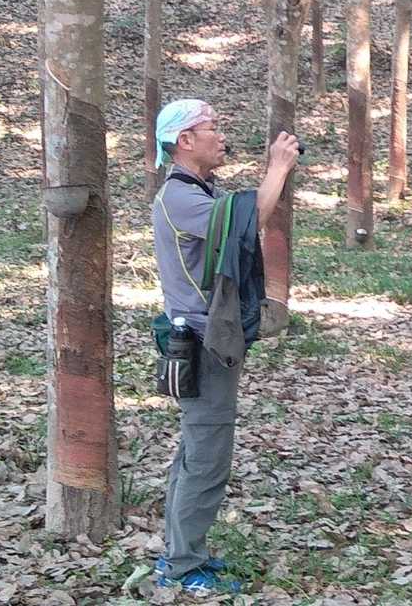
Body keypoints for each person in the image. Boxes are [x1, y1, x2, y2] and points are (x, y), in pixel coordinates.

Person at [150, 98, 299, 594]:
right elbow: (248, 219)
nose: (221, 136)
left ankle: (181, 555)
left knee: (197, 451)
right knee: (207, 457)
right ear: (184, 141)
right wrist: (278, 166)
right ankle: (182, 567)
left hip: (207, 339)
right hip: (201, 343)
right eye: (211, 127)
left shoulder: (197, 191)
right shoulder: (178, 197)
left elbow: (239, 220)